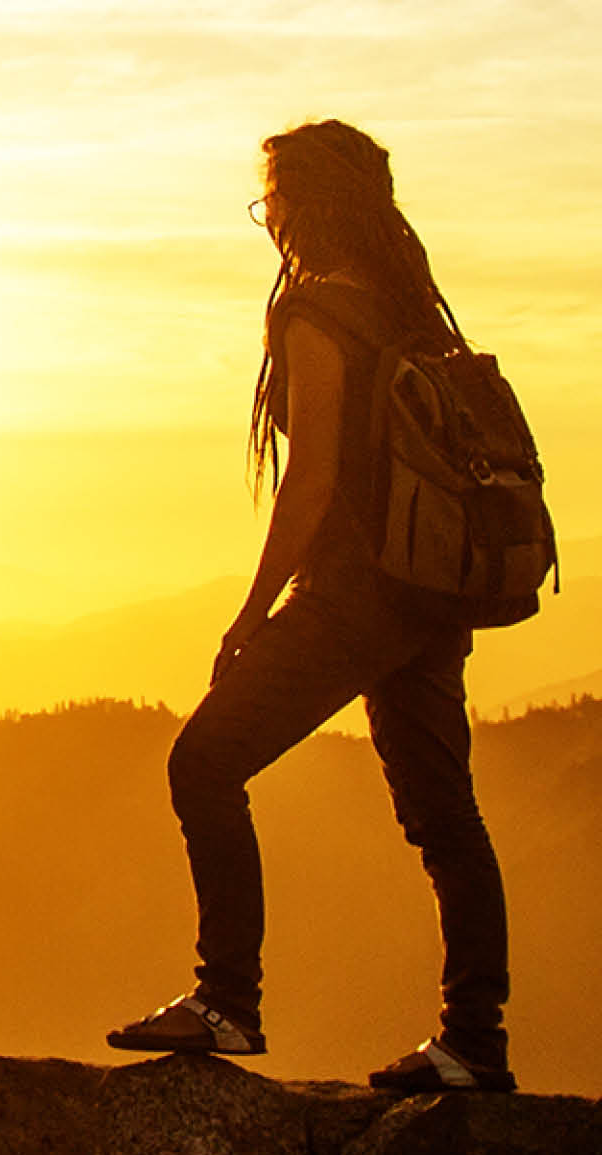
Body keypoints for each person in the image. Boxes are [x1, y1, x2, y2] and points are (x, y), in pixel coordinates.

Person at [107, 119, 517, 1093]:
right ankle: (473, 1043)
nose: (268, 216)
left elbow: (313, 482)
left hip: (355, 594)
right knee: (442, 818)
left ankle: (225, 1000)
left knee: (202, 762)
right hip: (430, 594)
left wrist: (250, 616)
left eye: (271, 198)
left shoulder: (315, 312)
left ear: (303, 204)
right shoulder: (407, 309)